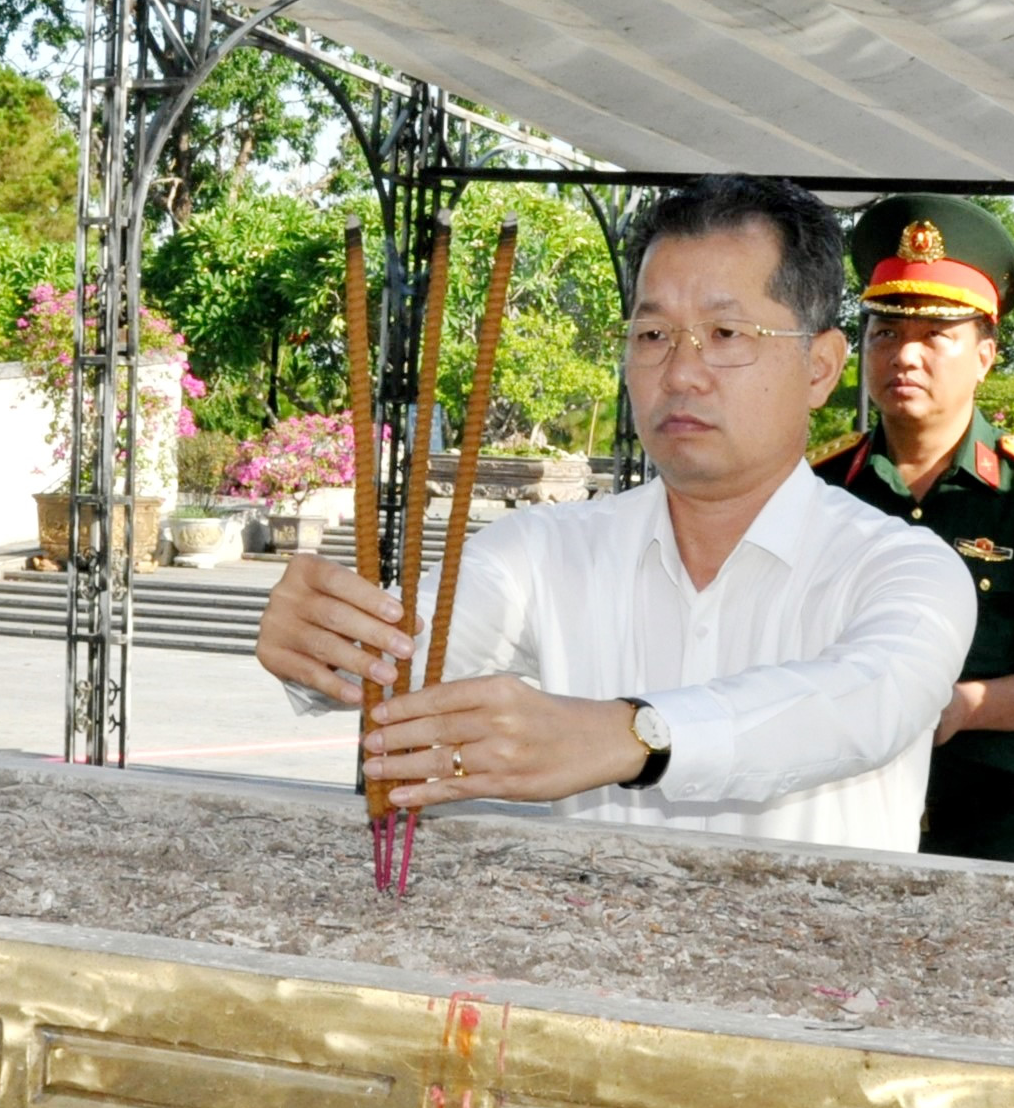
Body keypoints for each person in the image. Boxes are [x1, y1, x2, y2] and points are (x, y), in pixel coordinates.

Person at [255, 174, 976, 852]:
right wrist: (322, 642)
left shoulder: (903, 568)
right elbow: (404, 656)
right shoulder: (543, 554)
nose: (681, 372)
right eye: (654, 335)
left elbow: (863, 702)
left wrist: (632, 736)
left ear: (819, 367)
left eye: (727, 336)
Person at [810, 193, 1014, 866]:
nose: (906, 356)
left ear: (985, 355)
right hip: (837, 824)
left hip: (995, 836)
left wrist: (965, 706)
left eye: (935, 336)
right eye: (886, 333)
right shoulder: (817, 488)